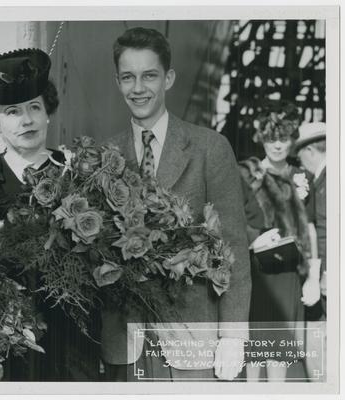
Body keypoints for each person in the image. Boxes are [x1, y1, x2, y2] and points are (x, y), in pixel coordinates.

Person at [0, 48, 100, 381]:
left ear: (48, 113)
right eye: (12, 112)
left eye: (34, 107)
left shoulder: (79, 172)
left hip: (68, 337)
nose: (27, 120)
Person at [102, 27, 252, 382]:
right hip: (124, 342)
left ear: (168, 78)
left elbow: (233, 244)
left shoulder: (209, 148)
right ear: (118, 81)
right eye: (128, 77)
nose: (138, 88)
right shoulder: (105, 155)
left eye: (149, 75)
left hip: (193, 339)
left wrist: (233, 336)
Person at [239, 101, 321, 381]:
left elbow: (309, 226)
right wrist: (254, 239)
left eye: (283, 139)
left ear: (292, 140)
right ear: (262, 137)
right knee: (253, 351)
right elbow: (232, 222)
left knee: (279, 353)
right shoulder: (245, 174)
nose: (277, 145)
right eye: (271, 138)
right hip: (255, 272)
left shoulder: (302, 177)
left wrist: (312, 275)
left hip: (288, 273)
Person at [295, 122, 326, 381]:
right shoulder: (322, 179)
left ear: (309, 150)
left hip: (329, 279)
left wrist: (318, 275)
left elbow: (322, 230)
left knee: (318, 350)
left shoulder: (326, 180)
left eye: (300, 153)